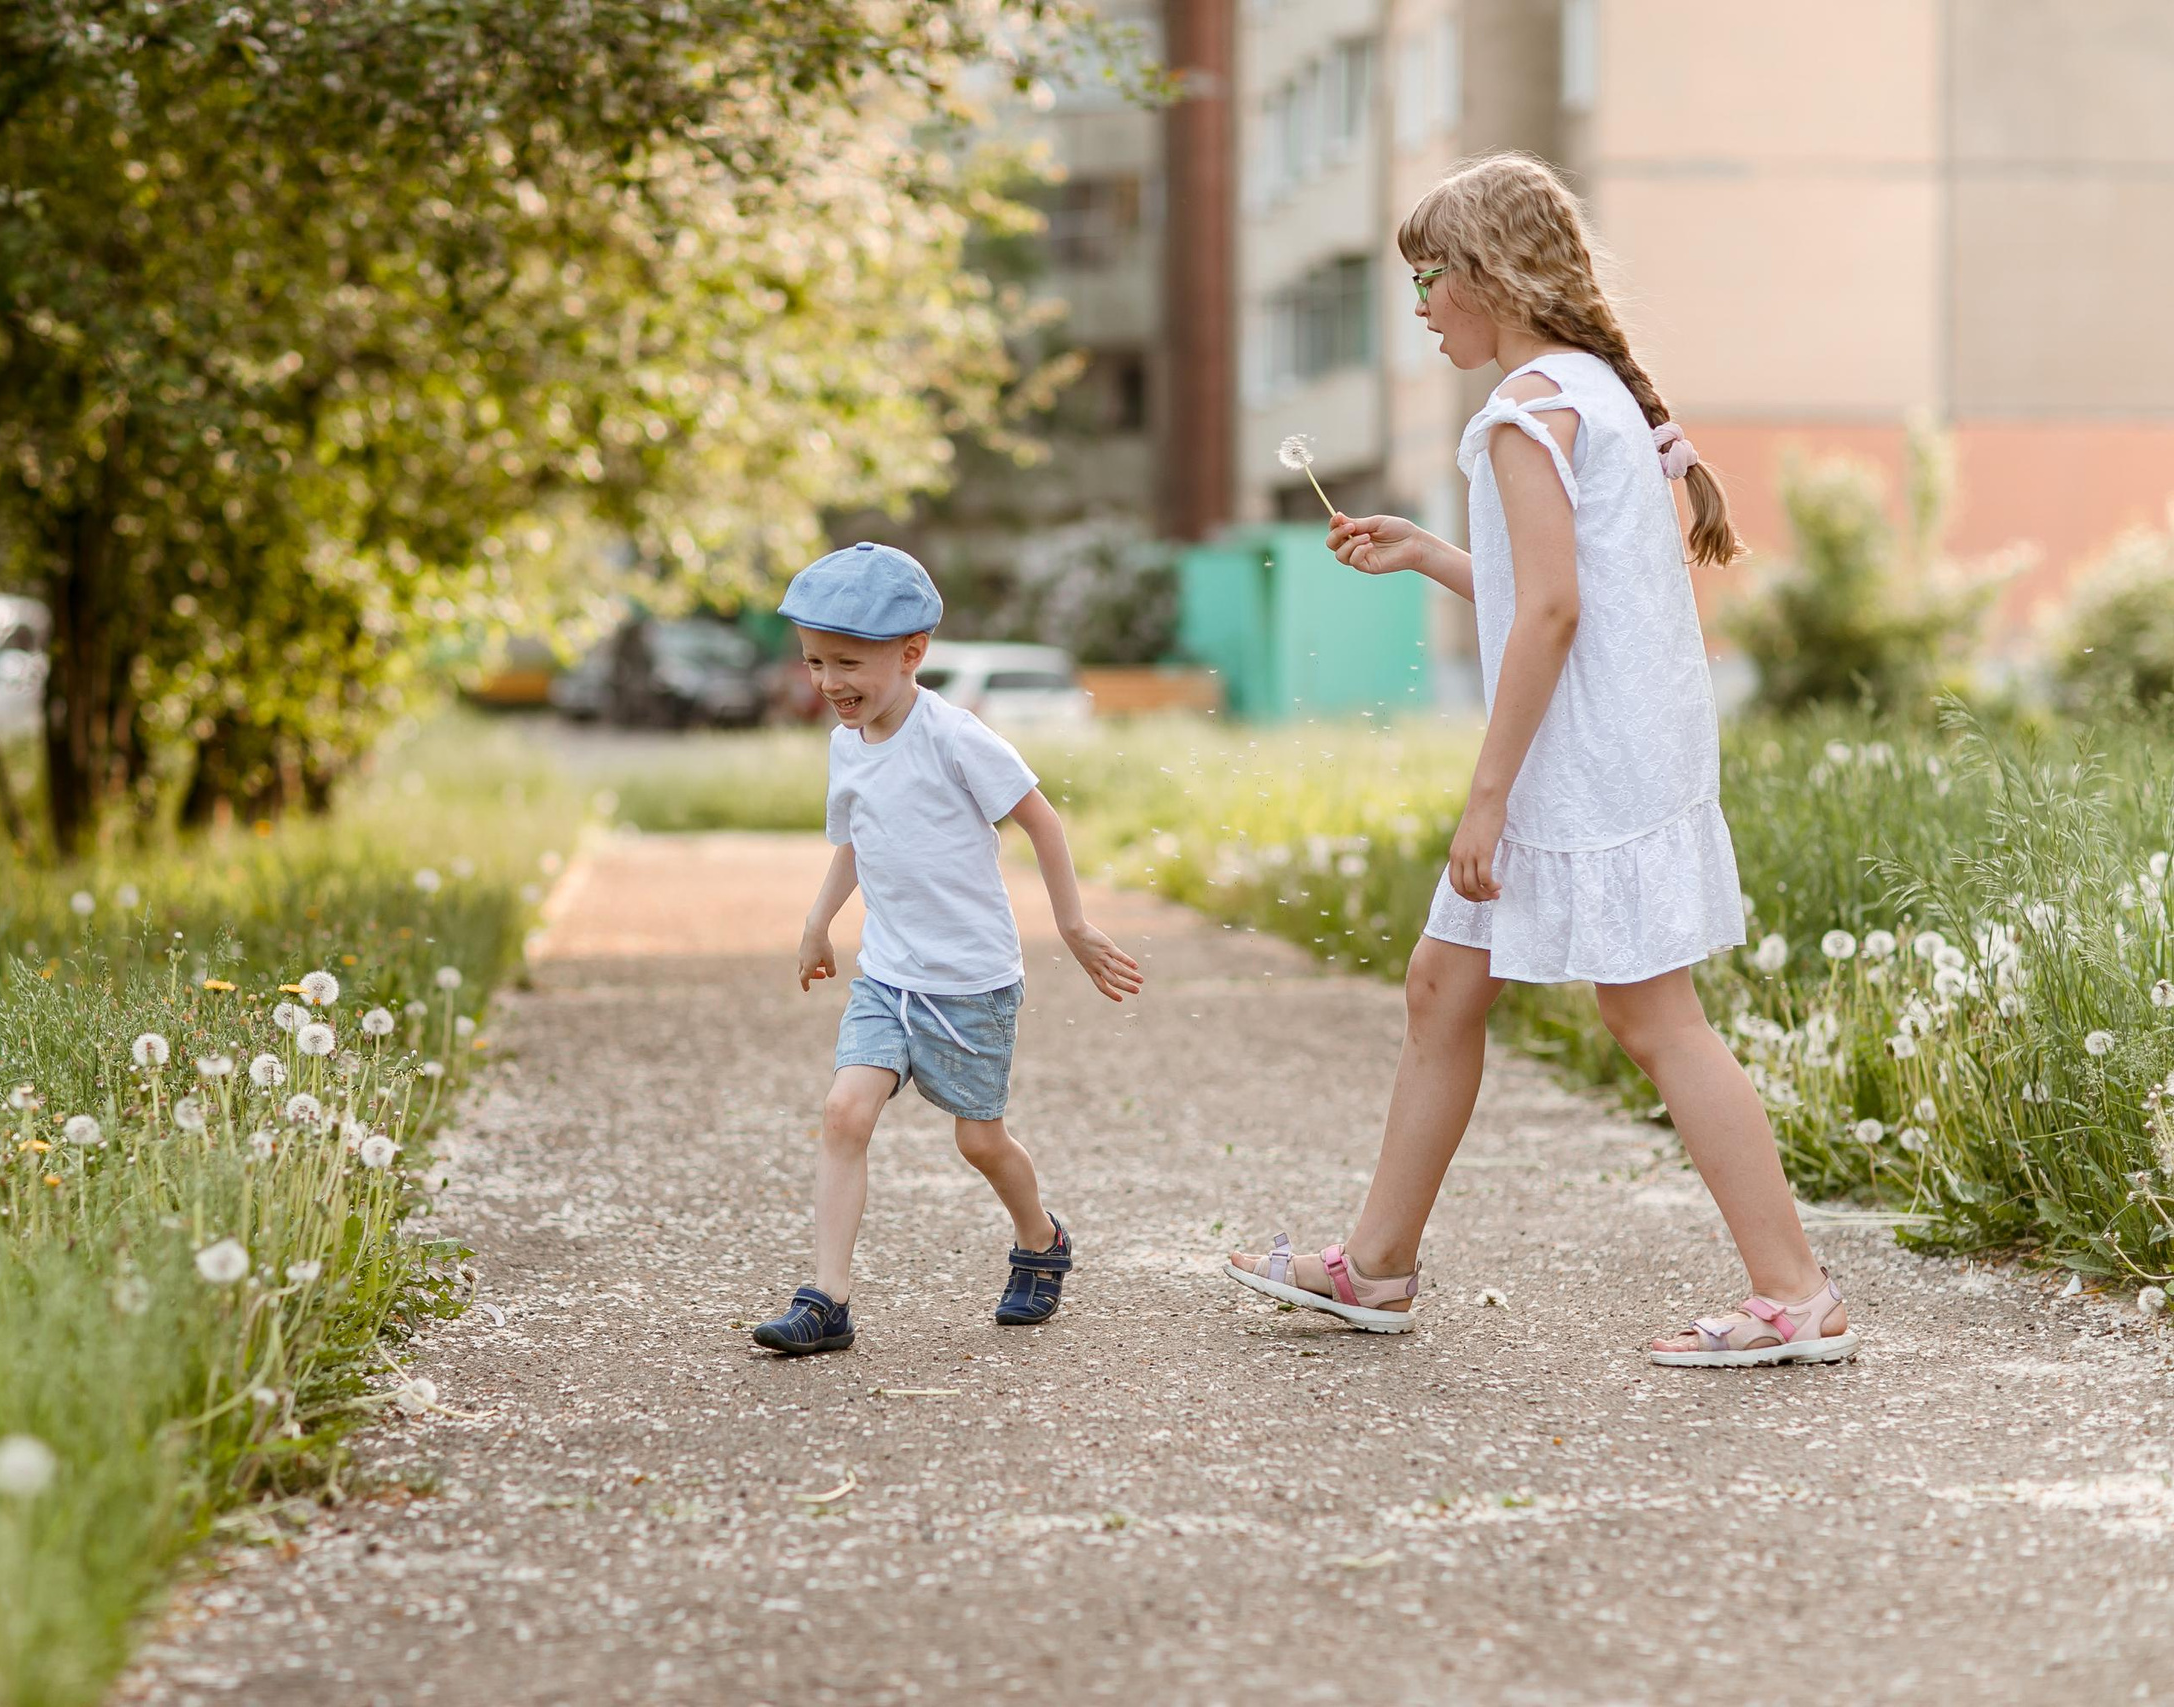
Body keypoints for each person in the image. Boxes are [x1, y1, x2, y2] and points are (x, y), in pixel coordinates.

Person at [1223, 153, 1855, 1368]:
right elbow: (1562, 594)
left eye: (1426, 281)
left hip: (1583, 764)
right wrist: (1429, 556)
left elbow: (1553, 616)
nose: (1417, 309)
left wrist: (1487, 796)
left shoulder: (1524, 410)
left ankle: (1795, 1293)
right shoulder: (1586, 392)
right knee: (1441, 987)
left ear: (1485, 278)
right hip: (1616, 743)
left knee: (1654, 1016)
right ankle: (1377, 1265)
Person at [751, 541, 1143, 1356]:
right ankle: (828, 1298)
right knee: (843, 1111)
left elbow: (1042, 820)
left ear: (912, 653)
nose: (829, 683)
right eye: (816, 662)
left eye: (848, 663)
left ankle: (1041, 1241)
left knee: (978, 1139)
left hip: (970, 983)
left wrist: (1072, 925)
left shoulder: (955, 737)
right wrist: (819, 920)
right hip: (887, 977)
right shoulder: (845, 744)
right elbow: (856, 839)